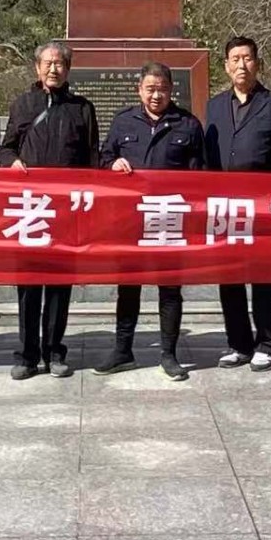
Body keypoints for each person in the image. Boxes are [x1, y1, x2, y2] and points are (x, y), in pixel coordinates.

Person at [95, 63, 206, 382]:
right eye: (150, 88)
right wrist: (112, 163)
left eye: (162, 89)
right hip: (131, 219)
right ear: (139, 90)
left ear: (172, 90)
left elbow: (201, 176)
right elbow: (103, 161)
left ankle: (169, 354)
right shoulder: (123, 121)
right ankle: (122, 350)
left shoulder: (187, 124)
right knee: (128, 287)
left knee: (170, 288)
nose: (156, 94)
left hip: (171, 218)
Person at [0, 40, 99, 381]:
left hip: (67, 212)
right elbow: (7, 147)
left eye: (60, 64)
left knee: (59, 286)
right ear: (37, 68)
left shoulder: (82, 108)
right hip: (30, 210)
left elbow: (92, 159)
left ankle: (55, 352)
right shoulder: (23, 104)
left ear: (68, 70)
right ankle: (26, 355)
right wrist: (11, 162)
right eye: (48, 63)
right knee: (28, 286)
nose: (53, 69)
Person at [203, 36, 271, 372]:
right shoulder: (213, 107)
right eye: (234, 59)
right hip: (225, 208)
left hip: (262, 209)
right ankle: (238, 343)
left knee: (263, 279)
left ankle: (268, 343)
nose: (241, 65)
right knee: (229, 278)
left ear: (257, 63)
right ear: (226, 66)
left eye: (247, 58)